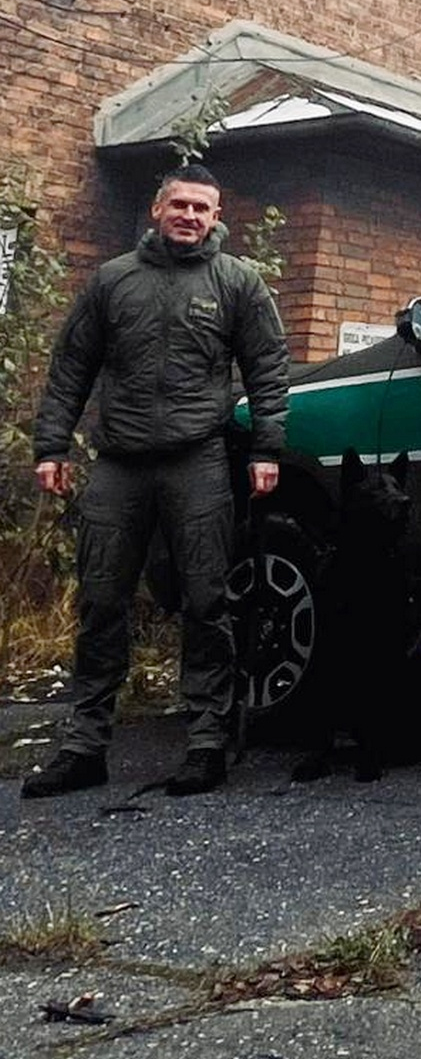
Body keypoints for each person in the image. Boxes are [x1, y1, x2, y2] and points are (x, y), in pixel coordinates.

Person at [23, 164, 289, 799]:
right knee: (101, 601)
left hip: (197, 461)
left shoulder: (237, 282)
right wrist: (52, 446)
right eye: (180, 205)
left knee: (206, 602)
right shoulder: (113, 280)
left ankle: (206, 742)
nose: (190, 216)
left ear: (216, 217)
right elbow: (71, 366)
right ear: (157, 209)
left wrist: (267, 449)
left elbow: (268, 368)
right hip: (119, 463)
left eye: (202, 208)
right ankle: (85, 745)